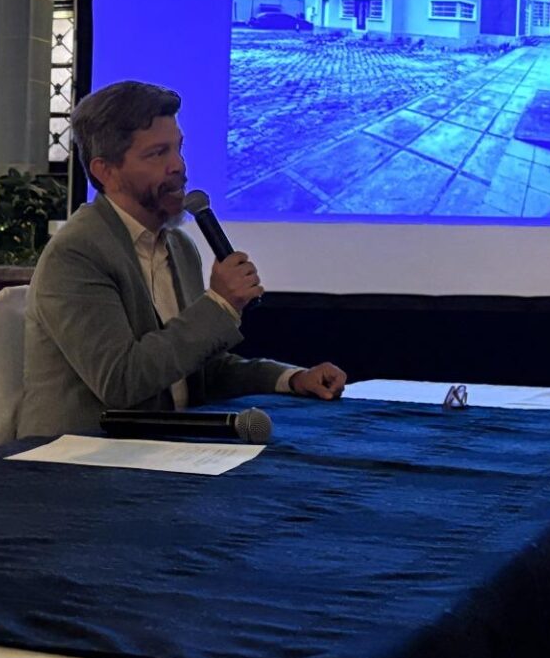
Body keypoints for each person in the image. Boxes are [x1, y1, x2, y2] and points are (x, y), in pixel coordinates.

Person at [18, 80, 346, 438]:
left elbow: (198, 370)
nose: (178, 165)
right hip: (81, 456)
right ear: (105, 171)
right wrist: (219, 304)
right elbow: (121, 382)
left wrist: (291, 379)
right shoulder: (77, 253)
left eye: (178, 148)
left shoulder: (179, 247)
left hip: (164, 449)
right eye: (157, 154)